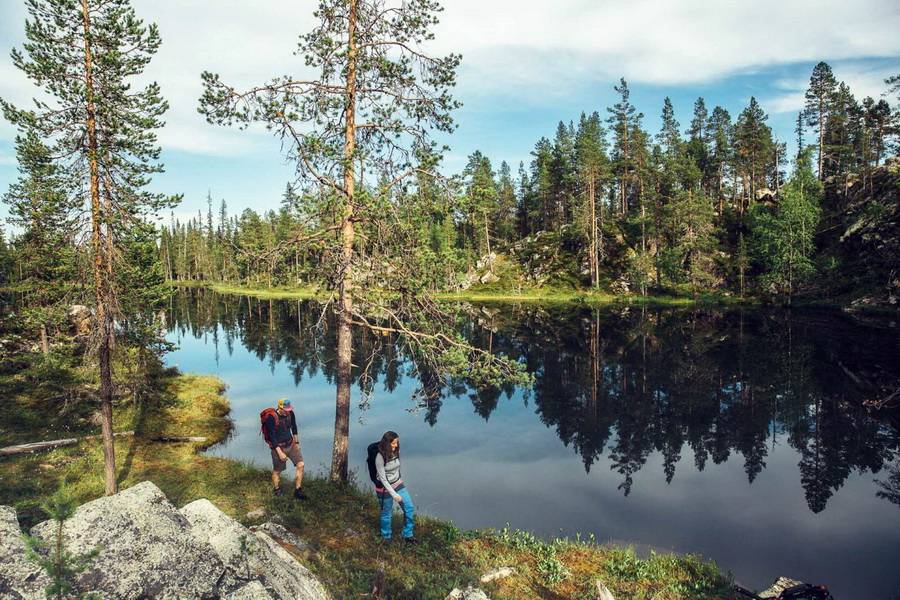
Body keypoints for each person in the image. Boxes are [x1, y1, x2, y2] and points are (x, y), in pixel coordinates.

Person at [374, 430, 416, 544]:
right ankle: (386, 537)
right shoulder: (380, 457)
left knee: (409, 507)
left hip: (398, 483)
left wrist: (399, 481)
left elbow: (396, 468)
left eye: (397, 442)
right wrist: (394, 494)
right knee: (386, 513)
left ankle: (408, 535)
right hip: (384, 488)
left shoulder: (396, 451)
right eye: (393, 443)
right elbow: (383, 479)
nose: (396, 445)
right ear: (387, 443)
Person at [263, 398, 307, 500]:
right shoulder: (271, 418)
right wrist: (280, 453)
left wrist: (296, 442)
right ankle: (277, 489)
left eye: (289, 409)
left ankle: (298, 490)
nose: (288, 411)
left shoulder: (290, 413)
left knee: (301, 464)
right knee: (277, 471)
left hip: (291, 444)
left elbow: (294, 427)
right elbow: (272, 437)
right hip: (278, 447)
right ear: (280, 407)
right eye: (286, 409)